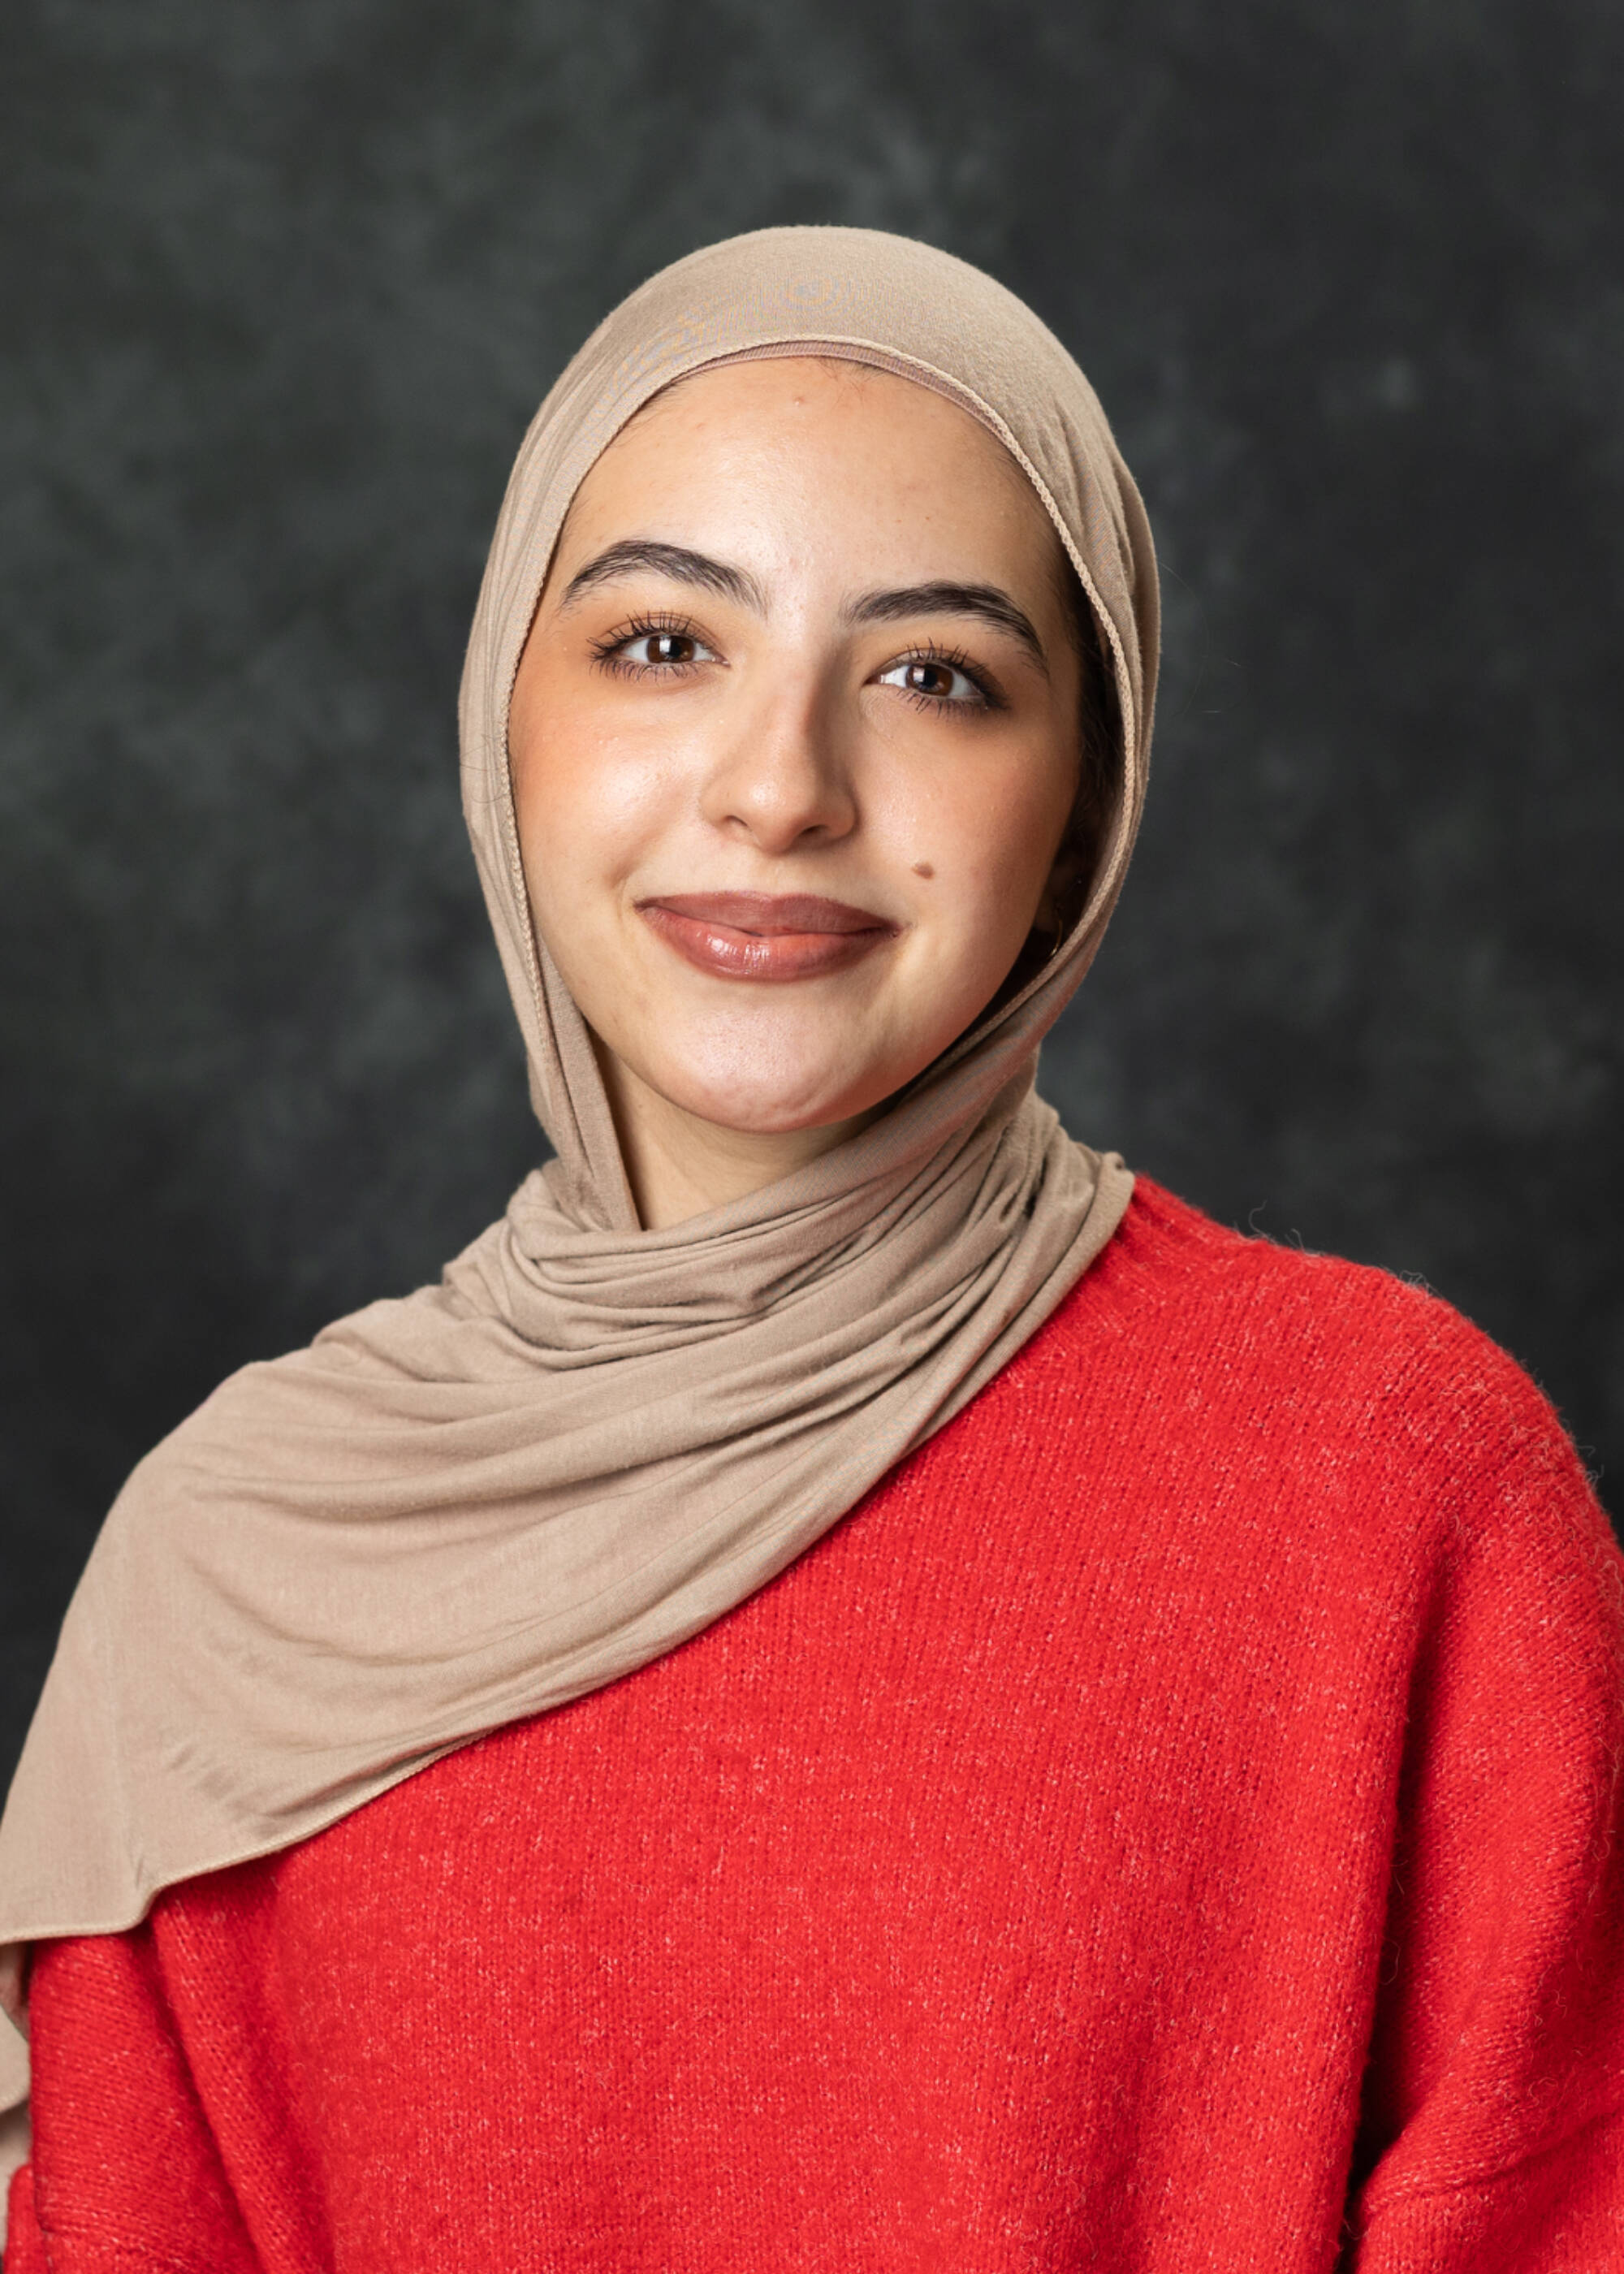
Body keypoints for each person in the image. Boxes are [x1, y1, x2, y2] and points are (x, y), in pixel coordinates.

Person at [2, 227, 1620, 2272]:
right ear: (504, 712)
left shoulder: (1387, 1481)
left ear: (1084, 799)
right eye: (665, 643)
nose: (779, 789)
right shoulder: (225, 1580)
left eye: (935, 676)